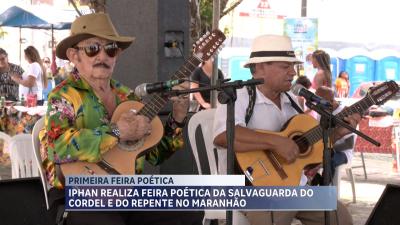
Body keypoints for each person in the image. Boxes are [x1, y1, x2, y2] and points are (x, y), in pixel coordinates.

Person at [39, 13, 195, 225]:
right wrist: (116, 132)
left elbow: (155, 155)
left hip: (129, 192)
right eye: (93, 48)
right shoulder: (63, 95)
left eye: (110, 49)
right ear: (74, 56)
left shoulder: (128, 96)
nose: (102, 56)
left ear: (117, 55)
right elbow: (57, 148)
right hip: (78, 194)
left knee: (187, 210)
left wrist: (178, 116)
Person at [213, 34, 361, 225]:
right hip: (251, 189)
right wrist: (275, 141)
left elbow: (308, 147)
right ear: (259, 68)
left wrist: (339, 132)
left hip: (296, 187)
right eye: (285, 66)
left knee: (339, 217)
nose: (293, 72)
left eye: (293, 66)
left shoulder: (292, 100)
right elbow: (223, 136)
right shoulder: (237, 96)